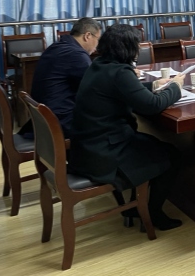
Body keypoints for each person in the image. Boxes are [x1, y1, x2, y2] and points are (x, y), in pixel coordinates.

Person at [70, 24, 185, 231]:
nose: (138, 49)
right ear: (128, 48)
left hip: (88, 147)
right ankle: (153, 213)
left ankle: (136, 206)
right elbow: (153, 105)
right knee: (173, 156)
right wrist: (176, 87)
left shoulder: (99, 65)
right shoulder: (120, 72)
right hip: (106, 153)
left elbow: (124, 90)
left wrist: (154, 85)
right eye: (136, 46)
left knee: (153, 145)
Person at [20, 17, 102, 138]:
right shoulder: (76, 55)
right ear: (87, 36)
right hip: (60, 121)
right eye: (98, 39)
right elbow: (96, 88)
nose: (97, 45)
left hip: (43, 119)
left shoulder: (56, 47)